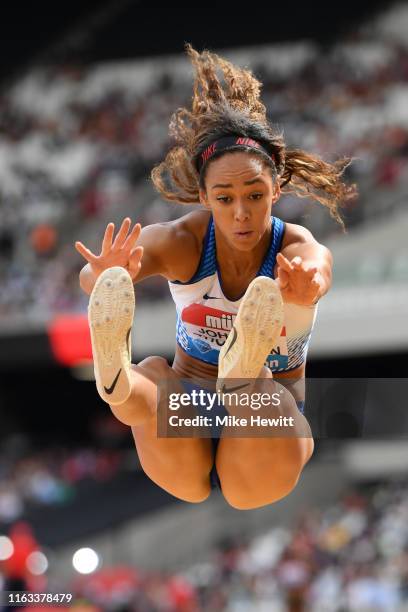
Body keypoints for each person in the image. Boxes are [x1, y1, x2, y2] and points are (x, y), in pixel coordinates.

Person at [75, 45, 356, 509]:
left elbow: (318, 264)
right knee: (152, 381)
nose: (242, 214)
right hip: (185, 417)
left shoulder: (294, 248)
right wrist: (103, 274)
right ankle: (117, 379)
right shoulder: (182, 241)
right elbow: (95, 279)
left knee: (265, 400)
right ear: (203, 196)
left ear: (277, 190)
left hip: (263, 430)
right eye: (225, 199)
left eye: (255, 195)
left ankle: (242, 377)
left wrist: (309, 286)